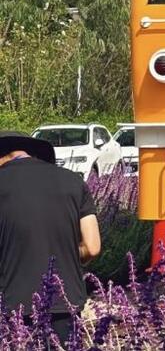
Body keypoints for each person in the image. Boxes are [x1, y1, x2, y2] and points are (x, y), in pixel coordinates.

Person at [0, 130, 101, 344]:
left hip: (12, 304)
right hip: (65, 301)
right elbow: (92, 247)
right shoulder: (73, 181)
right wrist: (60, 255)